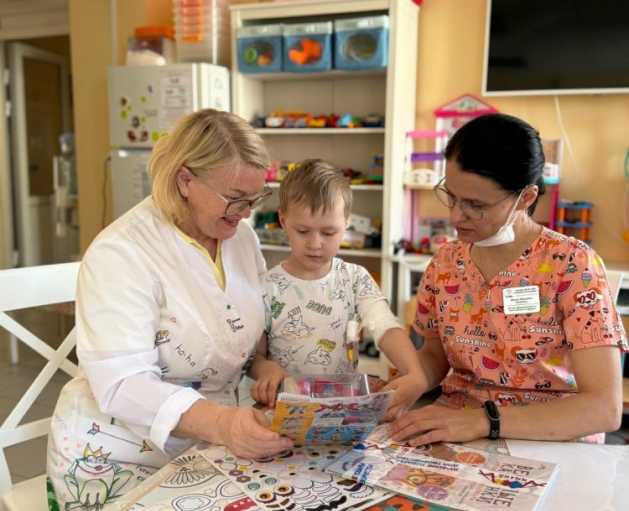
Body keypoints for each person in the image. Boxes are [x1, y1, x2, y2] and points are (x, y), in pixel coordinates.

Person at [46, 109, 293, 509]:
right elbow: (123, 384)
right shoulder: (121, 252)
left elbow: (239, 330)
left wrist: (263, 366)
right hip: (116, 454)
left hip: (211, 444)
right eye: (235, 199)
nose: (247, 212)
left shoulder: (241, 238)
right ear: (185, 181)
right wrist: (222, 423)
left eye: (256, 198)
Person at [390, 113, 628, 446]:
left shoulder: (572, 264)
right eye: (452, 196)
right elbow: (433, 355)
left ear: (526, 198)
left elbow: (603, 408)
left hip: (550, 437)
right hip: (458, 432)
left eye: (475, 205)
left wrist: (483, 421)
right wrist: (411, 380)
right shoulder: (445, 262)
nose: (455, 216)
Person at [248, 159, 426, 418]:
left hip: (341, 410)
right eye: (303, 231)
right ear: (283, 221)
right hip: (283, 409)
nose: (315, 244)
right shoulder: (266, 286)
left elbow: (385, 326)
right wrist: (265, 370)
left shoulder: (355, 279)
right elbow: (255, 357)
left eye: (329, 232)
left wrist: (414, 372)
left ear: (346, 224)